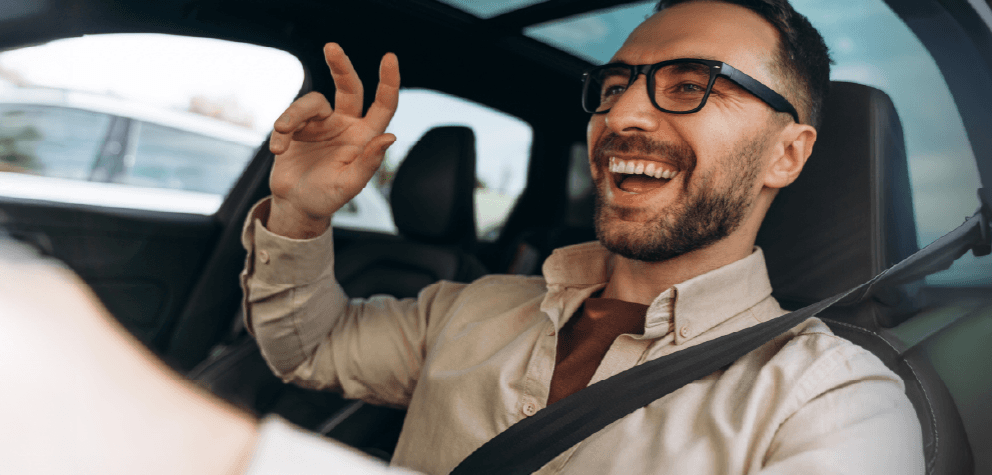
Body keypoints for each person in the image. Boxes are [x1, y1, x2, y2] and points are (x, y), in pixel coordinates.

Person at [242, 0, 922, 473]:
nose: (621, 115)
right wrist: (298, 213)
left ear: (787, 154)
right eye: (616, 85)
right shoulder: (472, 307)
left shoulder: (830, 398)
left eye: (692, 84)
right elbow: (313, 347)